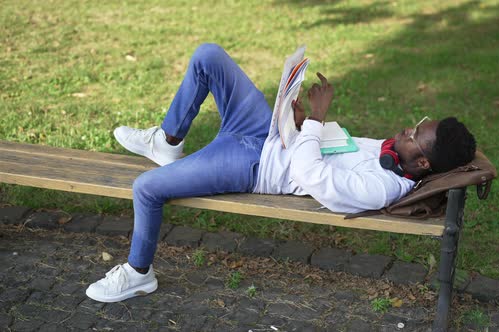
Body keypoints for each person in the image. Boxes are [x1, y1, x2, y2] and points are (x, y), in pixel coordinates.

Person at [86, 43, 476, 303]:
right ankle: (168, 141)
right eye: (416, 124)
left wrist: (316, 121)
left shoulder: (379, 187)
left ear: (423, 163)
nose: (407, 130)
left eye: (414, 136)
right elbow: (327, 147)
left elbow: (314, 178)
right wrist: (300, 122)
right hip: (265, 133)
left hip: (252, 164)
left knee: (146, 187)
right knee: (208, 56)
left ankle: (139, 272)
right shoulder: (388, 152)